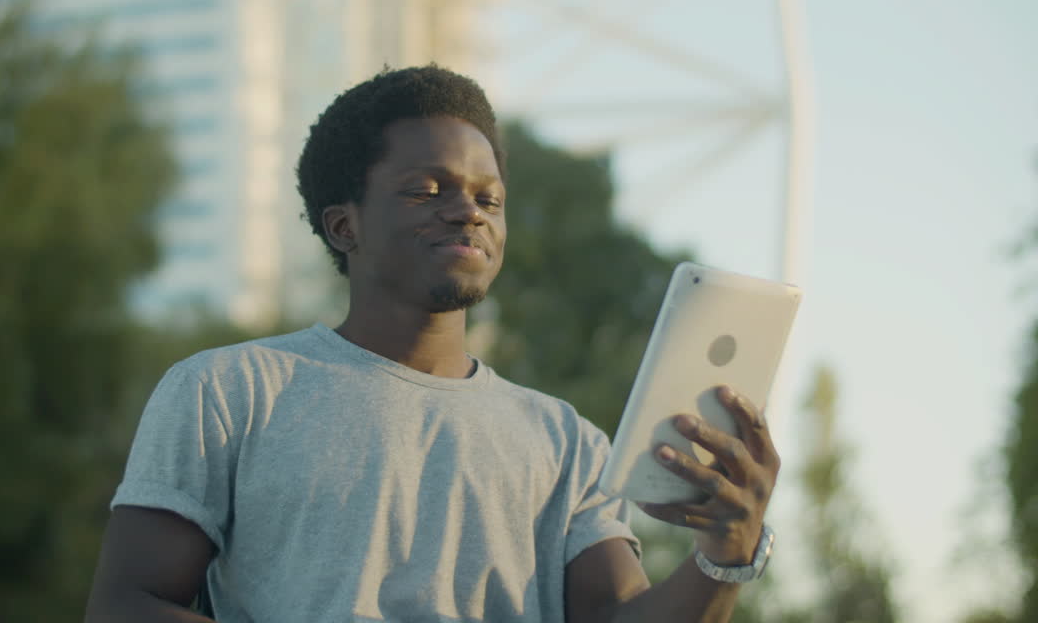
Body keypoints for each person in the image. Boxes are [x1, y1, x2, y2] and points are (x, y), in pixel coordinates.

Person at [83, 65, 780, 623]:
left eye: (489, 197)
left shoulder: (567, 441)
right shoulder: (229, 391)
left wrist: (726, 555)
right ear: (343, 226)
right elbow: (127, 603)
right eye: (427, 190)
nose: (468, 209)